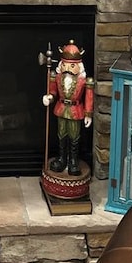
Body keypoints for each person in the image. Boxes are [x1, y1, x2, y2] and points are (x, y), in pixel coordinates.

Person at [42, 41, 94, 176]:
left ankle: (73, 161)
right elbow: (53, 92)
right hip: (61, 108)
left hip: (76, 111)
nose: (67, 68)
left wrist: (88, 114)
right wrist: (49, 97)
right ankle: (62, 159)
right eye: (65, 64)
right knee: (61, 135)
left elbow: (88, 97)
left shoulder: (84, 81)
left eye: (72, 65)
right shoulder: (57, 77)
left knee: (74, 136)